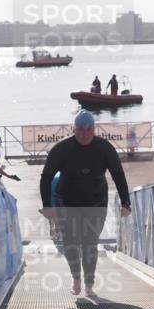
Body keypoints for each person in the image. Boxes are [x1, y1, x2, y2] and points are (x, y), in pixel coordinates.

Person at [39, 111, 132, 297]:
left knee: (90, 243)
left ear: (94, 130)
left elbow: (118, 175)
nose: (85, 133)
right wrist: (47, 206)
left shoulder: (104, 148)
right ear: (74, 129)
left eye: (89, 129)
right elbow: (46, 177)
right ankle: (76, 278)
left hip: (96, 202)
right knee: (70, 243)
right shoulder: (62, 149)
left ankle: (89, 285)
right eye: (81, 129)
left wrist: (126, 202)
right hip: (67, 201)